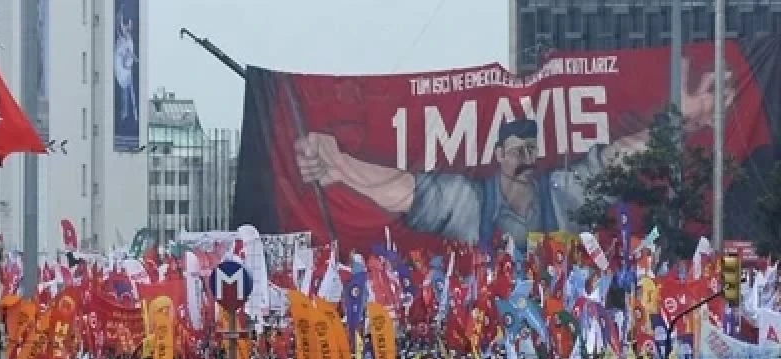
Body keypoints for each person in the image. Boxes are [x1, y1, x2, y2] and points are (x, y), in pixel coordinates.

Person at [293, 64, 722, 249]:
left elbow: (615, 159)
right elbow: (406, 190)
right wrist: (344, 169)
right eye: (518, 151)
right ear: (499, 155)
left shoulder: (561, 193)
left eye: (532, 150)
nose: (527, 158)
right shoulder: (469, 203)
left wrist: (677, 123)